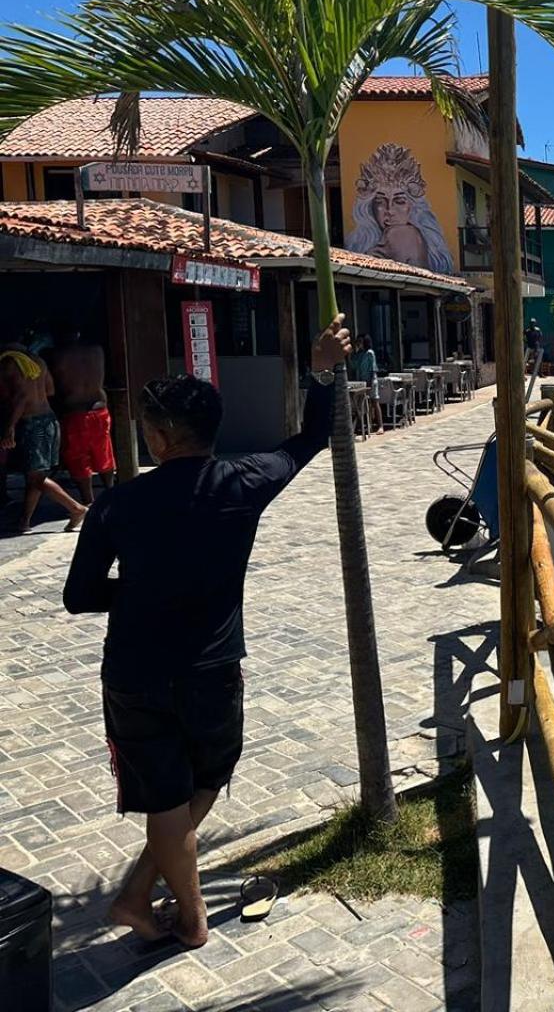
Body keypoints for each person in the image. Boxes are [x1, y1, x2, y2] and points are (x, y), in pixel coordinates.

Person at [62, 315, 350, 949]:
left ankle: (151, 902)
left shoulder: (115, 504)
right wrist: (322, 369)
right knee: (208, 777)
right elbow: (311, 439)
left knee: (165, 798)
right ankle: (175, 915)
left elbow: (78, 597)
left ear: (161, 437)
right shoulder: (242, 482)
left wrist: (142, 593)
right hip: (210, 668)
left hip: (134, 671)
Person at [2, 342, 88, 532]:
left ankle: (75, 508)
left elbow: (21, 397)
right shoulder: (37, 361)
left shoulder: (9, 362)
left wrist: (10, 427)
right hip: (49, 420)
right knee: (36, 475)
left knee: (36, 478)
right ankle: (24, 521)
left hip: (31, 423)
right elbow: (50, 390)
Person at [50, 330, 117, 505]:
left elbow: (54, 386)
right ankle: (110, 492)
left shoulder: (59, 355)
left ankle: (88, 500)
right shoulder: (96, 350)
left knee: (78, 458)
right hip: (99, 407)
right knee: (104, 452)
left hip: (75, 410)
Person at [350, 334, 382, 434]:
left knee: (374, 402)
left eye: (360, 341)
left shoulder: (370, 353)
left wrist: (369, 384)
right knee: (363, 403)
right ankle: (368, 425)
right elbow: (353, 366)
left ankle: (380, 426)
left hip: (371, 380)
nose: (359, 343)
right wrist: (351, 354)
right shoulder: (358, 354)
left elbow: (373, 369)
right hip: (361, 382)